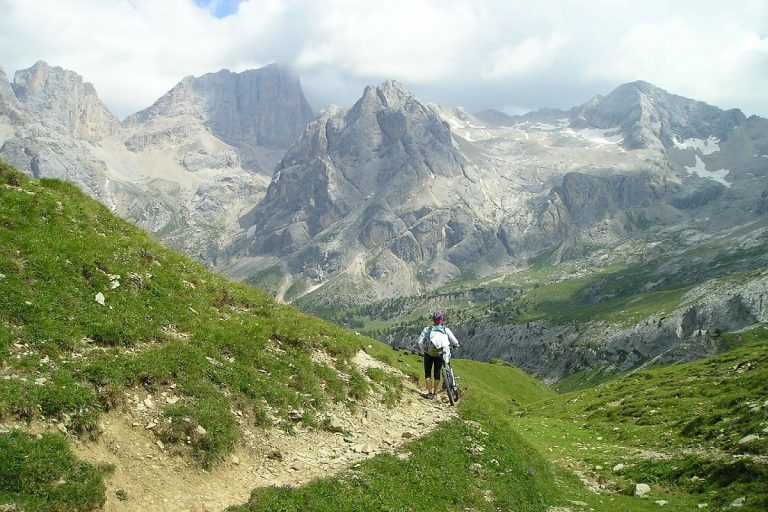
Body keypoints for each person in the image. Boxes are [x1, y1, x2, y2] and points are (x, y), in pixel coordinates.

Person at [417, 310, 460, 399]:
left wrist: (423, 350)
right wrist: (456, 345)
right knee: (437, 373)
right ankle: (435, 394)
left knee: (428, 373)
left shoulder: (427, 329)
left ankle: (429, 393)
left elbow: (420, 342)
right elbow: (455, 342)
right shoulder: (445, 329)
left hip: (429, 353)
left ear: (433, 320)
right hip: (440, 354)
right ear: (441, 320)